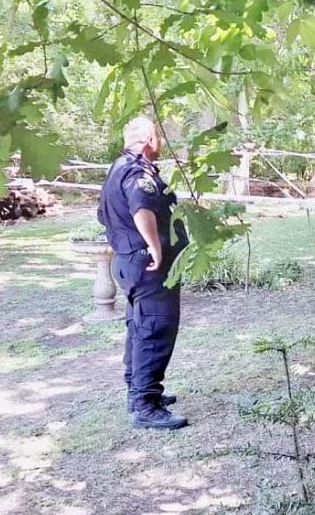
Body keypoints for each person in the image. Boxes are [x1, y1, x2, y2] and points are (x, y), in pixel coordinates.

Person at [97, 116, 189, 430]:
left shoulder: (116, 169)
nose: (161, 142)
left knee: (139, 327)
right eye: (159, 137)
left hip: (128, 261)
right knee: (155, 328)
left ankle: (139, 391)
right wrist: (154, 245)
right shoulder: (137, 172)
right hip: (148, 264)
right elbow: (141, 207)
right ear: (150, 138)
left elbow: (103, 214)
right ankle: (145, 405)